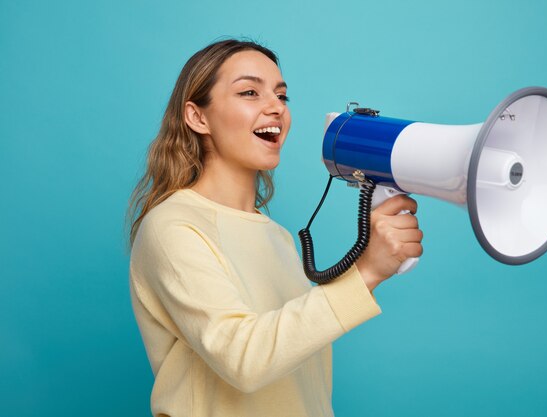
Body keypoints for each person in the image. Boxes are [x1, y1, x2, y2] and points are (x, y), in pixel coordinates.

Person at [127, 39, 423, 417]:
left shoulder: (276, 236)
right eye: (250, 92)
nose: (276, 108)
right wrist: (366, 273)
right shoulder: (172, 228)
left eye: (282, 97)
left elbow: (295, 372)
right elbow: (244, 360)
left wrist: (373, 260)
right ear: (197, 117)